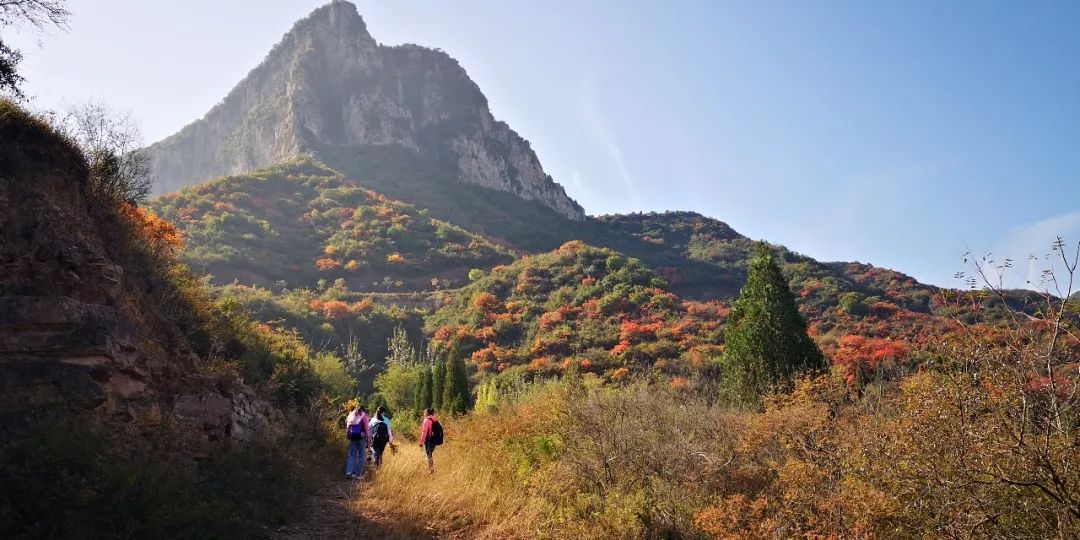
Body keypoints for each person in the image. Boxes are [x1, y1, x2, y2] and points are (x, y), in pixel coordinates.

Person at [344, 404, 370, 479]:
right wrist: (368, 440)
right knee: (361, 456)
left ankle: (349, 472)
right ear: (363, 409)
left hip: (352, 437)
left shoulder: (351, 415)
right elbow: (367, 429)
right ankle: (359, 474)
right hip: (361, 437)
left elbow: (347, 424)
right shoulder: (364, 415)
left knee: (351, 455)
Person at [418, 408, 442, 473]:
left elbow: (424, 432)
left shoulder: (427, 420)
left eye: (425, 412)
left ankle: (431, 470)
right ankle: (431, 469)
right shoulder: (435, 419)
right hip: (434, 440)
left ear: (427, 413)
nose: (424, 413)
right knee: (429, 454)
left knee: (429, 455)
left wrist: (421, 442)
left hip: (429, 440)